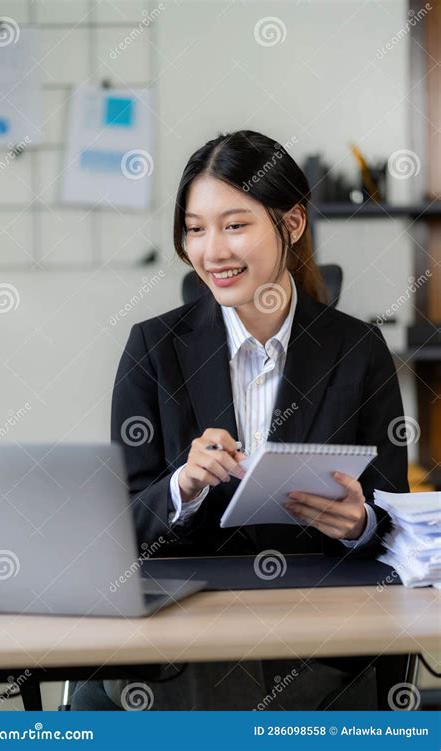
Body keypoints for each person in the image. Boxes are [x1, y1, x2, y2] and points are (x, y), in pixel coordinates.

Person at [71, 130, 408, 711]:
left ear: (292, 225)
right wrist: (184, 485)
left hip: (318, 634)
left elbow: (393, 513)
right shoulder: (154, 349)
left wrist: (360, 523)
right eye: (196, 229)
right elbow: (119, 521)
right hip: (182, 639)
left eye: (234, 225)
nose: (212, 251)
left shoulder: (358, 350)